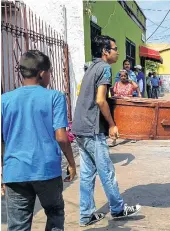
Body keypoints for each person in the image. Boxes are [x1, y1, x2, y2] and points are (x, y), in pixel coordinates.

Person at [1, 50, 77, 230]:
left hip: (15, 171)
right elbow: (61, 137)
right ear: (42, 73)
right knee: (55, 214)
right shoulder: (55, 97)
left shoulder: (4, 100)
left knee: (18, 225)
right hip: (47, 170)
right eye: (50, 71)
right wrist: (72, 163)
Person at [72, 35, 141, 227]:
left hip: (79, 127)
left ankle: (86, 215)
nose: (118, 52)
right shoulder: (105, 68)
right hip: (92, 128)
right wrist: (111, 124)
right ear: (105, 51)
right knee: (106, 171)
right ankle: (118, 209)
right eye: (115, 48)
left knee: (87, 173)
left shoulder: (91, 67)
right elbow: (101, 100)